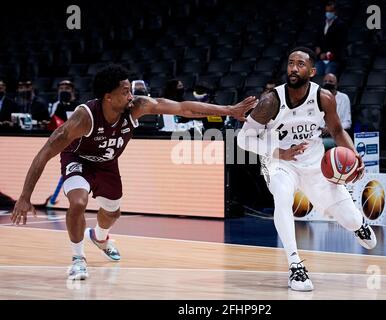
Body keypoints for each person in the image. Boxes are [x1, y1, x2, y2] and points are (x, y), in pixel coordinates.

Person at [11, 64, 256, 280]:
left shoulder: (137, 107)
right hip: (78, 161)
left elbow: (183, 108)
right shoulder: (84, 118)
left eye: (130, 89)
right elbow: (44, 152)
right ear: (108, 97)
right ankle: (77, 259)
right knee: (78, 202)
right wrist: (25, 196)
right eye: (125, 91)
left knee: (113, 213)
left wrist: (228, 110)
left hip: (107, 165)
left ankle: (100, 236)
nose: (131, 96)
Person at [237, 47, 376, 292]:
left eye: (300, 64)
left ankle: (358, 224)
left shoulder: (324, 98)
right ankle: (295, 266)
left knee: (350, 218)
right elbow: (242, 139)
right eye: (291, 63)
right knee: (282, 198)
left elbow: (337, 131)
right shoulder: (271, 100)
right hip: (279, 162)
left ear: (312, 71)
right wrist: (278, 153)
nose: (293, 68)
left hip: (315, 164)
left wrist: (355, 155)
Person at [313, 1, 348, 76]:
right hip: (321, 58)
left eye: (330, 11)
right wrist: (318, 50)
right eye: (327, 11)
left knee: (328, 77)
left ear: (335, 12)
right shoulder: (322, 24)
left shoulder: (340, 25)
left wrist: (327, 54)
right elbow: (317, 40)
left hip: (334, 59)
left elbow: (339, 43)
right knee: (316, 76)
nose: (328, 13)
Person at [321, 73, 352, 150]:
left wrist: (332, 128)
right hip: (319, 134)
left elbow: (347, 123)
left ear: (336, 84)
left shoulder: (344, 98)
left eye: (331, 81)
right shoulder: (318, 98)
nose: (327, 83)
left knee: (319, 144)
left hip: (337, 135)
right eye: (325, 81)